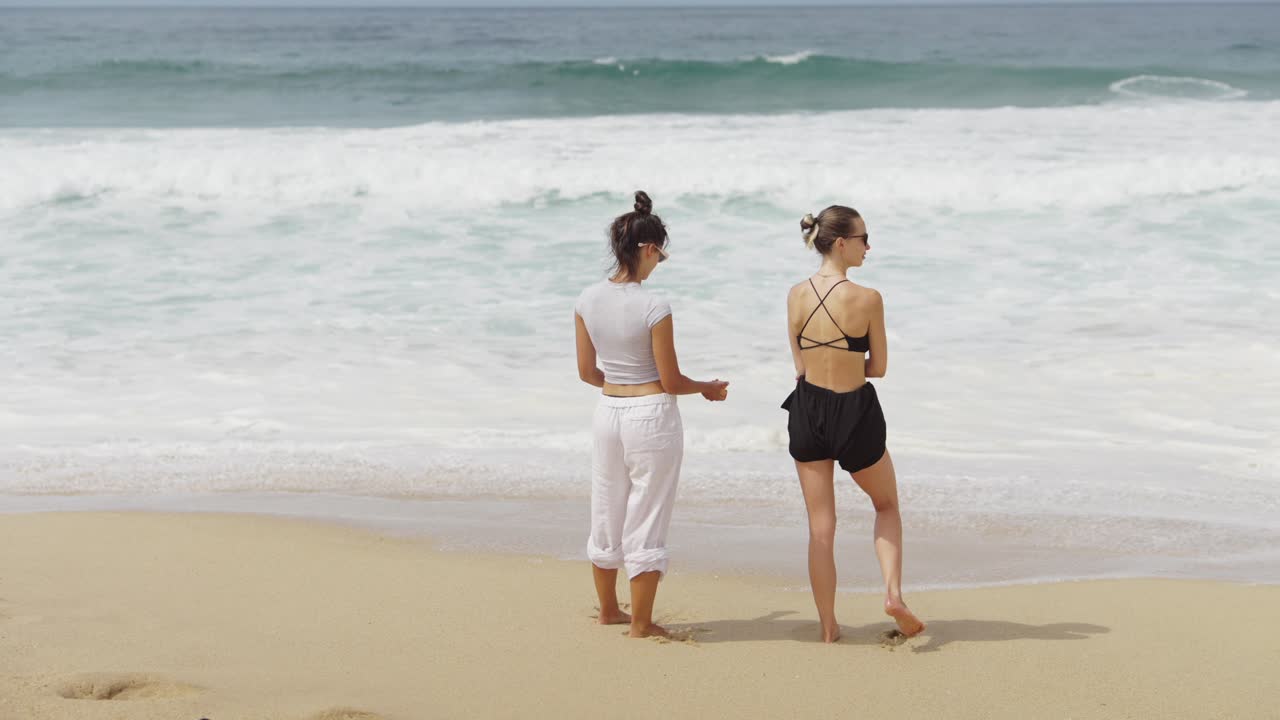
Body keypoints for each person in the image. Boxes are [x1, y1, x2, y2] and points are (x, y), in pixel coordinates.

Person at [574, 190, 729, 639]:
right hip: (651, 417)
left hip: (608, 411)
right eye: (661, 254)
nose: (660, 262)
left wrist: (619, 384)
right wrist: (708, 389)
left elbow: (587, 372)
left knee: (606, 510)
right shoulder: (654, 305)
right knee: (648, 513)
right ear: (647, 249)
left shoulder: (586, 299)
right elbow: (672, 379)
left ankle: (608, 611)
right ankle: (640, 623)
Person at [782, 205, 925, 643]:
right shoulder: (868, 299)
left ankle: (828, 627)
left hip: (808, 410)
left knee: (821, 528)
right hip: (854, 412)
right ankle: (893, 595)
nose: (869, 246)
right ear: (841, 243)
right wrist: (848, 361)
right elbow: (877, 367)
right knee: (886, 506)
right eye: (864, 238)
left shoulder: (795, 294)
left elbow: (800, 366)